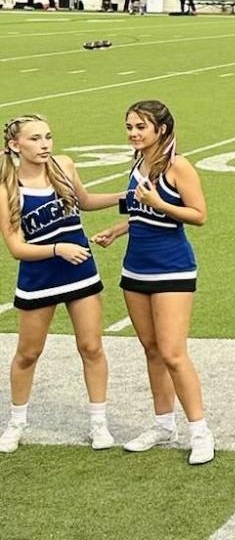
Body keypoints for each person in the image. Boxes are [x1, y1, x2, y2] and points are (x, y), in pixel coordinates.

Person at [90, 100, 212, 464]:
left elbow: (198, 215)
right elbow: (142, 212)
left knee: (174, 353)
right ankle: (163, 424)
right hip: (135, 269)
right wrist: (119, 228)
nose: (133, 134)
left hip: (172, 268)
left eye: (141, 127)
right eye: (129, 127)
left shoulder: (179, 166)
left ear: (161, 129)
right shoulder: (138, 162)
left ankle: (200, 431)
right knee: (152, 349)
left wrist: (159, 202)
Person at [0, 114, 120, 454]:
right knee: (28, 353)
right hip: (40, 279)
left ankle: (99, 423)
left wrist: (126, 197)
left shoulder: (64, 165)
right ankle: (16, 423)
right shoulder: (8, 188)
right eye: (35, 139)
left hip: (80, 271)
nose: (44, 145)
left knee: (92, 347)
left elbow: (84, 201)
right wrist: (57, 249)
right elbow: (15, 248)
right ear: (15, 145)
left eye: (48, 137)